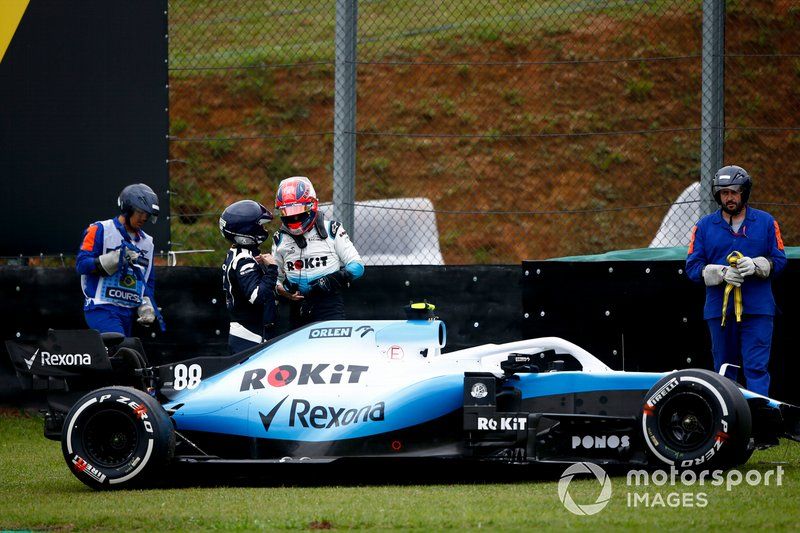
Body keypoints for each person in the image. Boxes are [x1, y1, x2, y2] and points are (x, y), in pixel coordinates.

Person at [686, 165, 786, 395]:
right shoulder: (703, 227)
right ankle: (729, 423)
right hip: (719, 311)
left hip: (758, 308)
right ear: (717, 195)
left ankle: (760, 423)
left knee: (756, 368)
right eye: (724, 193)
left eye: (734, 191)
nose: (729, 197)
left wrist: (757, 265)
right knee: (724, 370)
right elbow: (692, 267)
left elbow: (779, 260)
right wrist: (720, 272)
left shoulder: (766, 222)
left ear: (744, 192)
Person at [271, 176, 365, 325]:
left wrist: (331, 280)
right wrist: (283, 290)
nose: (294, 216)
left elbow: (358, 267)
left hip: (329, 304)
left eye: (298, 210)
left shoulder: (332, 230)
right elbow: (275, 278)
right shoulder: (279, 239)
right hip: (297, 306)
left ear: (312, 205)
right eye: (287, 212)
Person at [76, 183, 162, 336]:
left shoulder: (147, 243)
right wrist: (115, 258)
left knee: (127, 354)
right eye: (140, 212)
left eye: (147, 214)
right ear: (127, 209)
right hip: (101, 307)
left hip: (128, 312)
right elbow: (82, 265)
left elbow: (148, 281)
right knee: (119, 344)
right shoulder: (100, 229)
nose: (144, 218)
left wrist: (147, 306)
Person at [220, 199, 279, 353]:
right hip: (249, 336)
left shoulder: (236, 253)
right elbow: (257, 296)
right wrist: (272, 269)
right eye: (260, 226)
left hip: (246, 331)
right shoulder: (243, 259)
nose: (264, 229)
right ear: (247, 232)